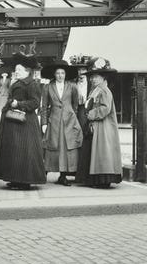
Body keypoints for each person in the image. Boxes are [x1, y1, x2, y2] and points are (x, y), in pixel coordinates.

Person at [0, 53, 46, 190]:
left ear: (27, 71)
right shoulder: (17, 83)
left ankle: (24, 181)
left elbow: (35, 103)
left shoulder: (32, 84)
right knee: (14, 151)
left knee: (23, 151)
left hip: (25, 124)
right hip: (14, 121)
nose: (16, 72)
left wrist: (18, 104)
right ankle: (15, 179)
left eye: (19, 70)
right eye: (16, 70)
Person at [41, 59, 83, 186]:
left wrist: (71, 116)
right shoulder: (47, 87)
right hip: (53, 120)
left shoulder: (72, 87)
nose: (60, 75)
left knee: (66, 148)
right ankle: (44, 173)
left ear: (66, 74)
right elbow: (44, 107)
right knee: (52, 146)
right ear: (54, 74)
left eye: (62, 73)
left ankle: (63, 175)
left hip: (69, 121)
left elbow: (75, 105)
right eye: (58, 73)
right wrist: (44, 123)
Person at [84, 57, 122, 188]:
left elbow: (106, 108)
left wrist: (91, 114)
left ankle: (104, 180)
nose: (92, 79)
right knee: (99, 152)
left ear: (103, 77)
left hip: (104, 126)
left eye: (96, 77)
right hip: (98, 125)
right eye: (92, 77)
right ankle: (99, 179)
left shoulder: (104, 90)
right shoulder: (96, 90)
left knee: (103, 151)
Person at [74, 65, 91, 184]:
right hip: (76, 112)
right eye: (79, 70)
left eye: (83, 71)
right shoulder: (73, 85)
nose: (81, 73)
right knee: (76, 140)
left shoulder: (91, 85)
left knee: (87, 140)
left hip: (88, 113)